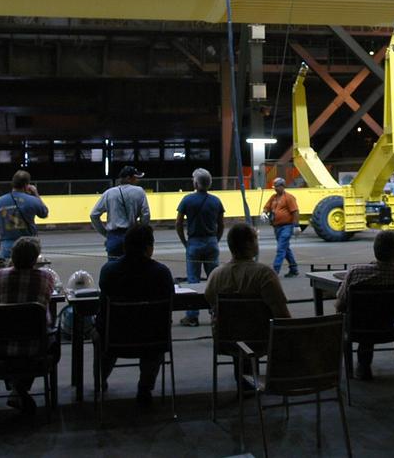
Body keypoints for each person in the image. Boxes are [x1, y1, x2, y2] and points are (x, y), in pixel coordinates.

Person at [96, 224, 174, 408]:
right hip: (152, 340)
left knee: (100, 332)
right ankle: (145, 388)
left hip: (115, 338)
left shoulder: (109, 271)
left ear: (125, 246)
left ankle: (101, 380)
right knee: (156, 332)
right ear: (149, 247)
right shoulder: (162, 273)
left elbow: (103, 303)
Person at [0, 236, 60, 414]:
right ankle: (19, 389)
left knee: (16, 342)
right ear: (35, 258)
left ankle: (16, 387)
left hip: (0, 348)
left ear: (12, 255)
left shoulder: (0, 276)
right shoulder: (45, 277)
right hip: (36, 349)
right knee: (48, 339)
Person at [334, 230, 394, 381]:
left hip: (360, 330)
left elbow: (340, 305)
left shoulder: (355, 273)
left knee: (365, 316)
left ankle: (362, 366)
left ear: (375, 251)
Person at [204, 222, 290, 320]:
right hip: (261, 333)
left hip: (227, 334)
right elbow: (282, 315)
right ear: (249, 244)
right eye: (255, 239)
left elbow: (211, 303)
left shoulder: (215, 276)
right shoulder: (265, 274)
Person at [175, 167, 225, 327]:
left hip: (194, 242)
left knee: (193, 280)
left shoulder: (187, 200)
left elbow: (178, 223)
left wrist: (185, 242)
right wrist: (215, 239)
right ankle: (216, 312)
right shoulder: (216, 201)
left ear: (196, 183)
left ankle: (192, 315)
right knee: (213, 279)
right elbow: (221, 224)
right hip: (211, 242)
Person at [90, 165, 151, 259]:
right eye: (135, 178)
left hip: (113, 237)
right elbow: (146, 214)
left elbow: (94, 215)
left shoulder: (109, 193)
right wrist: (141, 232)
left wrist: (106, 233)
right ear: (129, 178)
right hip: (132, 236)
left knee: (114, 270)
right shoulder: (139, 191)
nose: (137, 180)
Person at [0, 169, 49, 260]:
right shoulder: (32, 200)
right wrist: (36, 193)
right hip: (29, 246)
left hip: (7, 247)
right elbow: (44, 213)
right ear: (26, 186)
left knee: (9, 273)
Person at [262, 177, 300, 277]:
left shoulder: (289, 197)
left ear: (283, 186)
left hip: (287, 227)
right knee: (285, 248)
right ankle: (294, 269)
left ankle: (275, 271)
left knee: (281, 249)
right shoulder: (273, 197)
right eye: (274, 187)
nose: (275, 188)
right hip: (277, 227)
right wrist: (264, 213)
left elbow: (295, 212)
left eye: (277, 186)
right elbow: (267, 207)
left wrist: (296, 226)